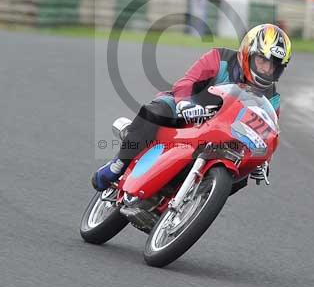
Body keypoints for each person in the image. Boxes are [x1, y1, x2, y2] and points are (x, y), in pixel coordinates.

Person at [92, 23, 292, 191]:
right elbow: (187, 81)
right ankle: (117, 165)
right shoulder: (220, 57)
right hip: (185, 110)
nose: (266, 69)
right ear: (249, 52)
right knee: (156, 112)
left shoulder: (272, 98)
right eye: (262, 60)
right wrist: (186, 103)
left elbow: (267, 133)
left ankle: (196, 201)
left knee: (241, 177)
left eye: (273, 65)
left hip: (223, 135)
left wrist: (262, 161)